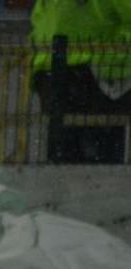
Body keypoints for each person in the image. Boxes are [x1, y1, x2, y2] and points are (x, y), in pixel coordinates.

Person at [30, 0, 131, 162]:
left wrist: (105, 60)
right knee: (81, 150)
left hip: (77, 77)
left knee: (71, 149)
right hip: (68, 77)